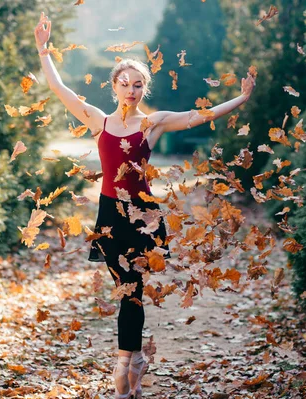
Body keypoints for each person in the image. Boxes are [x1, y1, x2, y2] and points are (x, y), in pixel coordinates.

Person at [34, 12, 255, 399]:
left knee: (132, 290)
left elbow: (199, 116)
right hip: (109, 214)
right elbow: (60, 89)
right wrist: (43, 50)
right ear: (114, 85)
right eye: (125, 84)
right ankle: (133, 362)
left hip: (144, 217)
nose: (131, 90)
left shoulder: (153, 123)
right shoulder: (98, 121)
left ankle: (124, 366)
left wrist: (243, 97)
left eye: (138, 85)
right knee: (125, 289)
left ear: (144, 88)